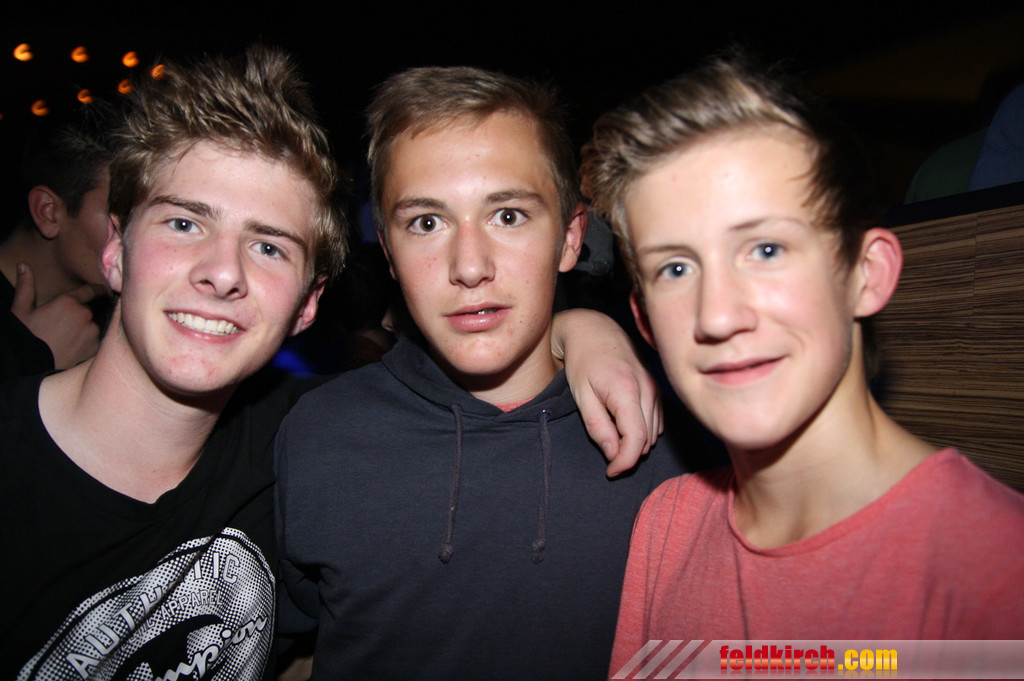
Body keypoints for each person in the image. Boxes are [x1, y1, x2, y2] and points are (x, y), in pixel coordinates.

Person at [0, 48, 667, 681]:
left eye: (268, 246)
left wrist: (584, 331)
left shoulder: (297, 433)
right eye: (184, 224)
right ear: (114, 249)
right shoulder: (320, 435)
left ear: (308, 303)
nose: (223, 273)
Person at [580, 52, 1024, 664]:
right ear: (645, 321)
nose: (717, 315)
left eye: (766, 250)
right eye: (676, 269)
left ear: (866, 274)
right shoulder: (669, 523)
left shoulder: (995, 569)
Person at [274, 66, 704, 680]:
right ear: (389, 253)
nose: (470, 266)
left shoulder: (675, 447)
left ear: (571, 238)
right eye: (427, 223)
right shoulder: (317, 434)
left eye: (508, 215)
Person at [0, 103, 119, 381]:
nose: (137, 234)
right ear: (48, 212)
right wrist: (31, 360)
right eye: (119, 214)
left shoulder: (110, 313)